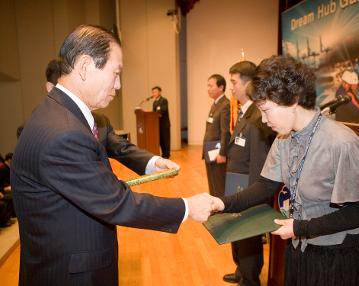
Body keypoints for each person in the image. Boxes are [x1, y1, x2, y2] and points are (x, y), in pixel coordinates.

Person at [11, 24, 215, 286]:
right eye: (116, 73)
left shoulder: (60, 115)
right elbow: (117, 203)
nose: (118, 84)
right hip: (71, 274)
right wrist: (187, 207)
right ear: (85, 66)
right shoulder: (63, 133)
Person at [211, 55, 359, 286]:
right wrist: (222, 204)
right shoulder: (283, 139)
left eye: (266, 110)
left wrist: (301, 227)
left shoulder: (341, 143)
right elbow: (265, 186)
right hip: (299, 250)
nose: (263, 120)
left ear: (292, 99)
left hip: (338, 259)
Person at [44, 59, 179, 175]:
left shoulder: (100, 121)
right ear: (51, 88)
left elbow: (121, 148)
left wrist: (155, 162)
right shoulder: (39, 130)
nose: (117, 85)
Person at [223, 61, 275, 286]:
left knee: (248, 235)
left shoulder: (257, 116)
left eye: (234, 82)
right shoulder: (246, 112)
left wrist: (254, 199)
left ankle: (250, 278)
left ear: (248, 83)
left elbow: (258, 162)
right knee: (237, 232)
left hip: (247, 185)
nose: (231, 87)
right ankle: (241, 269)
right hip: (236, 182)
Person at [203, 74, 231, 197]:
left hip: (217, 151)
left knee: (219, 183)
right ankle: (215, 209)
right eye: (207, 86)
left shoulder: (225, 105)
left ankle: (221, 211)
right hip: (210, 149)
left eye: (211, 85)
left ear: (221, 87)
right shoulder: (215, 104)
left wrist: (222, 153)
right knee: (212, 182)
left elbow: (225, 131)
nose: (208, 88)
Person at [152, 86, 171, 159]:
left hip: (164, 124)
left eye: (155, 92)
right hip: (157, 125)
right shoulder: (154, 102)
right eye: (153, 92)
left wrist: (157, 112)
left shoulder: (164, 100)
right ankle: (163, 153)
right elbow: (153, 113)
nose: (154, 93)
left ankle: (167, 154)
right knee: (160, 140)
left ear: (160, 92)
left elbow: (163, 110)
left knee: (165, 140)